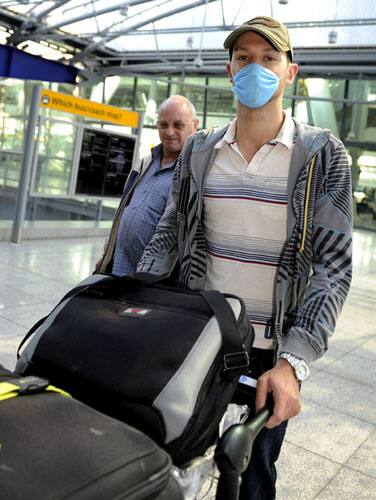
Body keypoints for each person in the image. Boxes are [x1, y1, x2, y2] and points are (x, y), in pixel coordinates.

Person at [137, 16, 353, 500]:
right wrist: (138, 297)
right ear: (230, 71)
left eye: (269, 58)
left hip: (269, 353)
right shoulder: (200, 149)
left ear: (290, 72)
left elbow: (333, 266)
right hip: (200, 335)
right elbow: (170, 231)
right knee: (172, 462)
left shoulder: (322, 155)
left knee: (251, 477)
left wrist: (294, 361)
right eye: (243, 58)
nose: (255, 67)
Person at [97, 95, 198, 275]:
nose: (169, 131)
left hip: (152, 281)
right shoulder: (145, 163)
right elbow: (122, 212)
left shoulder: (194, 173)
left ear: (195, 125)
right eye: (163, 124)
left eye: (178, 125)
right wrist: (107, 255)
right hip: (117, 269)